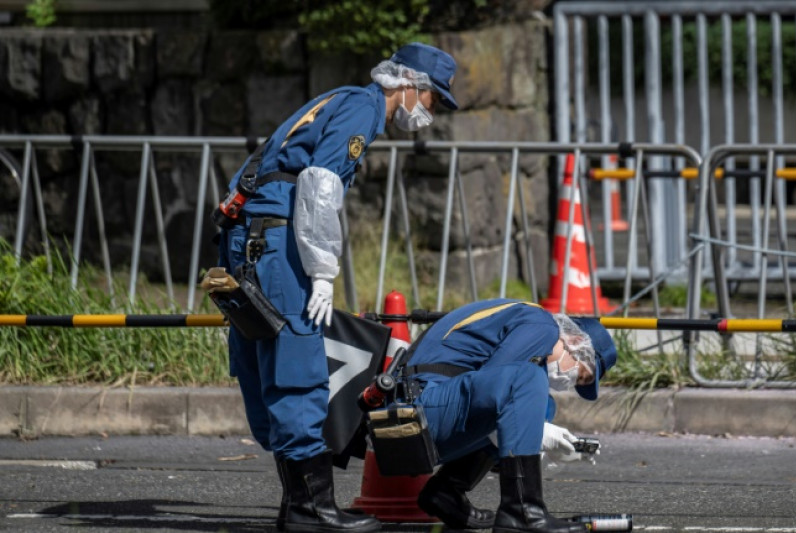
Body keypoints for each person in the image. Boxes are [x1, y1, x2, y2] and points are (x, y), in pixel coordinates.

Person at [216, 42, 458, 533]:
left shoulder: (339, 97)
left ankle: (297, 505)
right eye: (433, 101)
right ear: (411, 85)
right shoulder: (363, 109)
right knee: (299, 361)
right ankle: (312, 510)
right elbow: (321, 186)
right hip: (278, 238)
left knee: (264, 359)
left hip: (249, 235)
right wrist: (323, 271)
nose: (430, 114)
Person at [402, 298, 618, 533]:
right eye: (581, 375)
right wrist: (538, 436)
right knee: (526, 379)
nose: (571, 383)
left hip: (423, 410)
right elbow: (499, 390)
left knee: (543, 404)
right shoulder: (542, 326)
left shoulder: (526, 321)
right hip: (420, 410)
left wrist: (536, 439)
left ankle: (446, 491)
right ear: (575, 342)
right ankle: (523, 512)